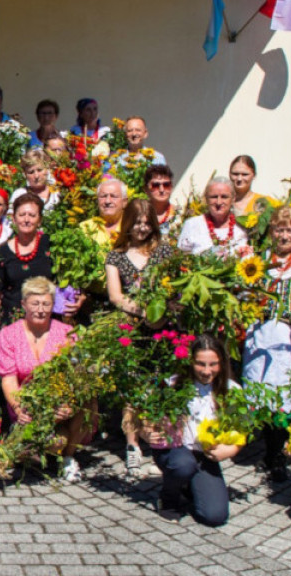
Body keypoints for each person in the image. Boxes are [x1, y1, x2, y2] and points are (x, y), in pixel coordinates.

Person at [105, 200, 174, 478]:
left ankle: (160, 446)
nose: (142, 227)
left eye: (147, 222)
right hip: (131, 330)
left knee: (160, 387)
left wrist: (160, 311)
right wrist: (143, 311)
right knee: (132, 390)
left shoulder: (164, 252)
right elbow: (115, 295)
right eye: (137, 221)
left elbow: (173, 288)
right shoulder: (116, 255)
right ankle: (133, 447)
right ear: (128, 223)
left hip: (162, 330)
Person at [0, 277, 88, 482]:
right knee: (48, 443)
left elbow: (77, 377)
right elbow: (9, 379)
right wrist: (18, 407)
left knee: (87, 401)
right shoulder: (9, 334)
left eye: (46, 304)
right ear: (23, 305)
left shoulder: (67, 334)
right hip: (26, 405)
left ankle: (69, 457)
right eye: (35, 304)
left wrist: (69, 403)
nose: (40, 309)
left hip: (59, 403)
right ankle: (37, 450)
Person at [140, 335, 239, 525]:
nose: (207, 371)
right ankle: (168, 500)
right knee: (183, 465)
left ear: (222, 363)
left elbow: (242, 429)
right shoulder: (173, 384)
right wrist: (147, 431)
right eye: (200, 364)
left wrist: (231, 450)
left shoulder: (231, 390)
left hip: (205, 454)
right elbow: (143, 413)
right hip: (175, 450)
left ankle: (189, 486)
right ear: (190, 362)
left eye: (213, 364)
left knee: (214, 516)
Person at [243, 206, 291, 483]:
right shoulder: (260, 260)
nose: (283, 236)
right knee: (262, 392)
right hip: (261, 334)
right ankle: (267, 448)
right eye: (279, 230)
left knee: (284, 396)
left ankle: (277, 454)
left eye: (289, 230)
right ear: (271, 232)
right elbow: (245, 291)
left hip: (290, 339)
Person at [0, 193, 71, 335]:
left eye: (32, 215)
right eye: (22, 215)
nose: (26, 220)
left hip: (46, 320)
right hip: (12, 321)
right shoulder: (2, 252)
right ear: (13, 219)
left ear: (39, 220)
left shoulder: (51, 245)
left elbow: (66, 279)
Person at [177, 177, 248, 256]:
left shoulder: (243, 226)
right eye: (214, 197)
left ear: (233, 198)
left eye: (224, 197)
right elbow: (183, 260)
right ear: (206, 199)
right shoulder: (192, 225)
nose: (219, 202)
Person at [80, 178, 127, 248]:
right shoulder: (85, 228)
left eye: (114, 196)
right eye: (103, 196)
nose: (107, 201)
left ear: (124, 202)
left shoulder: (132, 227)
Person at [145, 164, 182, 236]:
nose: (162, 190)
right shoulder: (139, 215)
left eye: (166, 185)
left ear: (171, 187)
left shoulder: (180, 214)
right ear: (146, 189)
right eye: (155, 185)